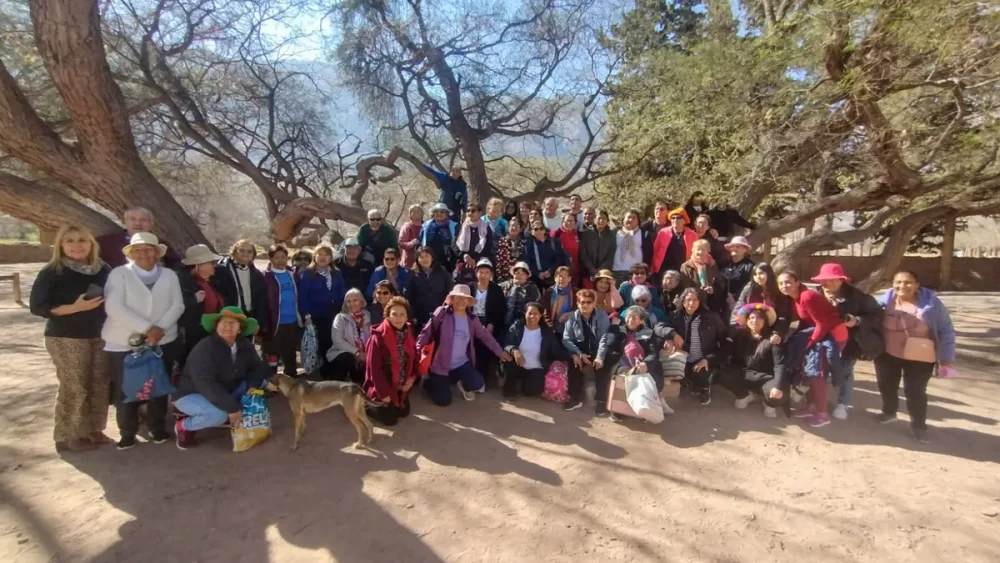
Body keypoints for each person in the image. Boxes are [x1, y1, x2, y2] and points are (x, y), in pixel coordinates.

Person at [29, 225, 112, 452]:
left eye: (82, 240)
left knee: (99, 382)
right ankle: (68, 435)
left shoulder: (102, 269)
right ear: (61, 245)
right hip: (66, 336)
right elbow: (37, 306)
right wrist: (76, 308)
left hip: (99, 335)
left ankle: (93, 429)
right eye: (70, 241)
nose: (77, 245)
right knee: (75, 385)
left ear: (91, 244)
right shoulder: (52, 271)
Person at [102, 233, 184, 450]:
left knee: (158, 385)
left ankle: (157, 428)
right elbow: (114, 306)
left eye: (148, 249)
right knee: (126, 388)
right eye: (138, 250)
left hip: (162, 339)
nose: (143, 254)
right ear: (131, 253)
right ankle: (127, 433)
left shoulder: (169, 275)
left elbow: (177, 305)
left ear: (157, 253)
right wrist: (147, 329)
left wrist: (159, 329)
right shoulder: (119, 274)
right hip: (124, 340)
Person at [874, 270, 955, 444]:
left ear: (917, 285)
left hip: (920, 356)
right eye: (898, 282)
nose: (902, 286)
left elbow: (946, 330)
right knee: (886, 385)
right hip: (887, 354)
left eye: (908, 282)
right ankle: (889, 412)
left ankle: (919, 426)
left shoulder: (932, 304)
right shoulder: (882, 302)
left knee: (915, 391)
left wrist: (946, 357)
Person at [172, 307, 269, 449]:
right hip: (192, 392)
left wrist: (253, 385)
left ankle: (234, 412)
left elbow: (257, 367)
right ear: (216, 326)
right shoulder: (205, 348)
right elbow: (205, 384)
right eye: (223, 322)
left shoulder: (244, 344)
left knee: (261, 383)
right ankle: (183, 426)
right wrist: (232, 407)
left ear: (240, 329)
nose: (227, 326)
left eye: (232, 323)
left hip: (225, 388)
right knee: (219, 415)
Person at [417, 285, 512, 405]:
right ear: (452, 298)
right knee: (443, 401)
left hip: (461, 363)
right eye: (458, 297)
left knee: (478, 383)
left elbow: (485, 336)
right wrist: (417, 350)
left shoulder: (472, 319)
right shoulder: (442, 312)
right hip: (440, 365)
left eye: (465, 298)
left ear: (468, 301)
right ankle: (430, 383)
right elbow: (426, 332)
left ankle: (457, 382)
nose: (461, 301)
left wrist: (500, 351)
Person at [812, 263, 884, 421]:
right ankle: (815, 400)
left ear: (841, 280)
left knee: (845, 371)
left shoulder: (857, 297)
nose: (828, 283)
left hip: (851, 342)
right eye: (824, 280)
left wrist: (857, 320)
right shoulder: (816, 294)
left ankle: (843, 404)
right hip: (824, 340)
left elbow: (877, 315)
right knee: (820, 370)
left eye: (832, 280)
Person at [777, 271, 848, 428]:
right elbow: (806, 321)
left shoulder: (807, 296)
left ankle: (822, 414)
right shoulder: (795, 298)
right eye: (780, 283)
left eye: (788, 282)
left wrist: (809, 343)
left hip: (833, 335)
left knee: (817, 373)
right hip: (819, 334)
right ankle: (811, 407)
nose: (784, 286)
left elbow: (822, 324)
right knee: (809, 369)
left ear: (797, 282)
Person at [654, 288, 727, 406]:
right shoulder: (675, 316)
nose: (691, 303)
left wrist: (709, 359)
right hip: (684, 358)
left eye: (695, 300)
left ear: (700, 302)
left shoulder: (711, 317)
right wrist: (672, 335)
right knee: (687, 383)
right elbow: (658, 327)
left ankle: (705, 387)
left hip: (704, 358)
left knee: (701, 377)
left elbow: (725, 340)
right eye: (688, 300)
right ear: (683, 302)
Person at [723, 303, 787, 418]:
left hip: (765, 377)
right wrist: (729, 338)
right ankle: (744, 395)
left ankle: (769, 403)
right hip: (744, 374)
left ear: (765, 321)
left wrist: (777, 386)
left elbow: (780, 365)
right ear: (747, 321)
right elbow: (726, 352)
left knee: (780, 390)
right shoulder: (739, 336)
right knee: (723, 374)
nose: (755, 321)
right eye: (751, 317)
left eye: (759, 318)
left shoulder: (773, 339)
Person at [363, 296, 418, 426]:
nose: (398, 318)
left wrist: (411, 378)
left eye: (402, 314)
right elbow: (374, 369)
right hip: (382, 386)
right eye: (394, 314)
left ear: (407, 317)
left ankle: (395, 398)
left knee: (404, 412)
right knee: (390, 420)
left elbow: (415, 359)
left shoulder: (408, 333)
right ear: (387, 316)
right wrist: (383, 393)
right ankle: (366, 404)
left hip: (399, 385)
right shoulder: (378, 337)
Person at [607, 306, 666, 422]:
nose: (630, 320)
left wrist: (646, 364)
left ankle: (642, 409)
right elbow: (611, 345)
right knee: (625, 374)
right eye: (628, 317)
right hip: (622, 363)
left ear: (641, 320)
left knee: (645, 374)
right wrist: (614, 329)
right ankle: (618, 410)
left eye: (634, 317)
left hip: (643, 364)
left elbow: (653, 353)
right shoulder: (620, 330)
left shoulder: (649, 333)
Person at [562, 289, 616, 415]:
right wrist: (577, 353)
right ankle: (575, 398)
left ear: (594, 303)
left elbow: (604, 338)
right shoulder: (573, 318)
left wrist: (600, 357)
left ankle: (601, 401)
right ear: (578, 303)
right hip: (581, 350)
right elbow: (566, 338)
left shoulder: (601, 315)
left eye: (589, 302)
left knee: (602, 367)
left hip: (598, 349)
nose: (585, 305)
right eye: (582, 302)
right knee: (574, 364)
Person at [297, 243, 346, 371]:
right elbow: (303, 296)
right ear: (315, 256)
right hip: (315, 314)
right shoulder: (308, 273)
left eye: (327, 255)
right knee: (321, 342)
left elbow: (342, 293)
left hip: (333, 313)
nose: (323, 257)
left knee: (333, 340)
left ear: (331, 258)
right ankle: (322, 369)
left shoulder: (336, 273)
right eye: (320, 254)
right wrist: (306, 316)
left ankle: (333, 367)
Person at [503, 302, 565, 399]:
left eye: (536, 314)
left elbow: (556, 350)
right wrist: (515, 350)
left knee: (532, 391)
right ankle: (509, 389)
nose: (532, 316)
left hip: (537, 368)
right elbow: (506, 343)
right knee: (510, 362)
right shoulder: (517, 326)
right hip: (518, 365)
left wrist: (572, 355)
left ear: (540, 315)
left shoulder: (547, 332)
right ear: (525, 314)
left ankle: (525, 384)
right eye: (530, 313)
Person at [178, 244, 225, 363]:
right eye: (211, 262)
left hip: (210, 332)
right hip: (194, 337)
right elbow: (177, 308)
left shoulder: (211, 281)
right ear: (198, 265)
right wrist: (193, 300)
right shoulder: (184, 283)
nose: (215, 265)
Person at [213, 239, 269, 336]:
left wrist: (258, 322)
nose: (245, 254)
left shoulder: (257, 274)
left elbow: (261, 300)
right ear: (234, 252)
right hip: (228, 316)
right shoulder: (222, 270)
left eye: (249, 251)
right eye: (241, 250)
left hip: (248, 317)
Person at [96, 206, 182, 268]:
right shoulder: (105, 242)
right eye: (132, 219)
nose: (137, 224)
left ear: (151, 223)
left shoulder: (161, 244)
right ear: (125, 222)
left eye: (143, 220)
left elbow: (176, 267)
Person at [262, 244, 301, 377]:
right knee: (272, 352)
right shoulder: (266, 276)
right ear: (271, 259)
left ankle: (291, 377)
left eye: (283, 257)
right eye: (277, 257)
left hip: (292, 320)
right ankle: (271, 378)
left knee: (289, 351)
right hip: (274, 321)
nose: (280, 260)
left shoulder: (292, 274)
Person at [733, 262, 794, 341]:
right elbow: (738, 310)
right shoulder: (749, 289)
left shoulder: (778, 290)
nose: (758, 277)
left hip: (772, 330)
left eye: (761, 273)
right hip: (751, 328)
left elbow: (783, 316)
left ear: (769, 273)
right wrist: (735, 326)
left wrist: (777, 332)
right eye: (755, 274)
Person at [468, 258, 506, 375]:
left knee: (484, 349)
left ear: (491, 274)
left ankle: (483, 376)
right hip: (471, 321)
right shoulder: (470, 287)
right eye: (481, 272)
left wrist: (491, 324)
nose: (483, 275)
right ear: (476, 273)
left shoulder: (496, 290)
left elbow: (500, 310)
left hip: (487, 322)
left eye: (487, 272)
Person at [325, 289, 371, 383]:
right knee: (346, 358)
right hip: (343, 353)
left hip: (365, 353)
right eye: (348, 301)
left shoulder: (368, 315)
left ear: (362, 302)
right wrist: (357, 352)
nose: (351, 304)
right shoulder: (340, 317)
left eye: (355, 300)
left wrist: (366, 353)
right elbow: (337, 341)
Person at [405, 246, 454, 329]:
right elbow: (409, 298)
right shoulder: (412, 275)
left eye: (427, 256)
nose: (425, 259)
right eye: (421, 257)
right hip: (421, 318)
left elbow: (450, 291)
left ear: (432, 257)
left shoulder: (442, 271)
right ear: (417, 260)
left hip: (441, 315)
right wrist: (413, 316)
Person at [680, 239, 725, 314]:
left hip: (711, 301)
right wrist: (698, 292)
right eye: (698, 249)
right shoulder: (686, 266)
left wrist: (713, 289)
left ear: (708, 251)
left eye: (703, 249)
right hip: (694, 302)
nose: (700, 252)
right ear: (693, 250)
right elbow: (685, 286)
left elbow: (719, 282)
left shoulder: (712, 264)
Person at [651, 208, 698, 278]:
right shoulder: (663, 232)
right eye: (673, 218)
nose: (675, 220)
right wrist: (653, 268)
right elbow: (655, 250)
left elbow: (696, 253)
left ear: (684, 220)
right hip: (664, 270)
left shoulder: (693, 235)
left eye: (679, 218)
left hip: (684, 271)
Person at [524, 220, 567, 289]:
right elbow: (527, 261)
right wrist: (537, 273)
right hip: (536, 278)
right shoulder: (528, 245)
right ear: (532, 232)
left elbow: (560, 258)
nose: (539, 231)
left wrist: (550, 271)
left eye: (541, 228)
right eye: (536, 229)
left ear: (544, 230)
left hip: (553, 277)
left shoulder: (554, 241)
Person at [720, 236, 755, 315]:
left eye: (738, 247)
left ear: (745, 249)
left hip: (741, 305)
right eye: (732, 246)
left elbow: (751, 287)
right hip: (723, 305)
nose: (734, 249)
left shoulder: (750, 266)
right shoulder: (724, 265)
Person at [581, 209, 616, 287]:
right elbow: (583, 253)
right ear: (594, 219)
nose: (601, 221)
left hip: (604, 272)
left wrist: (600, 269)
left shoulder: (611, 235)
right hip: (587, 271)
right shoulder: (587, 233)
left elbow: (611, 254)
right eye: (599, 218)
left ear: (607, 220)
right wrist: (591, 269)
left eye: (604, 218)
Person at [421, 203, 460, 271]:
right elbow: (420, 240)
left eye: (442, 212)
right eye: (436, 211)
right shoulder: (426, 226)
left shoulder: (454, 226)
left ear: (446, 214)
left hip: (448, 259)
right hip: (430, 258)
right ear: (433, 213)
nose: (439, 214)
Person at [501, 261, 542, 327]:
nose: (519, 276)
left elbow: (535, 307)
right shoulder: (505, 285)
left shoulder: (532, 289)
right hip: (502, 321)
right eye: (517, 273)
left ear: (527, 277)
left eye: (522, 274)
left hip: (522, 323)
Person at [613, 209, 645, 285]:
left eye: (634, 218)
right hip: (618, 270)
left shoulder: (644, 233)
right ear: (623, 220)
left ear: (638, 221)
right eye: (628, 217)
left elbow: (649, 252)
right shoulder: (615, 232)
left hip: (636, 271)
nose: (630, 220)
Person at [541, 266, 575, 335]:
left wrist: (570, 314)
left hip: (571, 325)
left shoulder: (575, 292)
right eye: (559, 276)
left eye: (565, 276)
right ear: (555, 278)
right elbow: (545, 312)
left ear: (569, 278)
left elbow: (579, 310)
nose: (561, 279)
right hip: (553, 325)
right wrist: (551, 327)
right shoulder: (549, 292)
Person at [551, 214, 580, 284]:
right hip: (561, 271)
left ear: (575, 223)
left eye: (571, 221)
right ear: (562, 222)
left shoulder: (578, 234)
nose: (569, 223)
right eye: (567, 221)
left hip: (577, 270)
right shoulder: (555, 234)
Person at [493, 218, 524, 284]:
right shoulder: (501, 242)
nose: (514, 228)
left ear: (520, 229)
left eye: (517, 226)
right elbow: (498, 261)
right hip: (503, 277)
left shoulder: (524, 243)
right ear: (508, 228)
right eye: (512, 226)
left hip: (520, 277)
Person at [641, 199, 671, 265]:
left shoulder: (671, 226)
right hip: (649, 260)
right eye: (657, 209)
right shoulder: (645, 226)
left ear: (667, 212)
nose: (658, 210)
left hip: (666, 260)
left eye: (661, 209)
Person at [398, 205, 425, 269]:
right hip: (409, 261)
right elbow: (401, 243)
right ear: (410, 214)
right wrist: (411, 243)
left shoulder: (426, 226)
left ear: (422, 213)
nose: (416, 212)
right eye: (413, 211)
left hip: (424, 260)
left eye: (418, 211)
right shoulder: (407, 226)